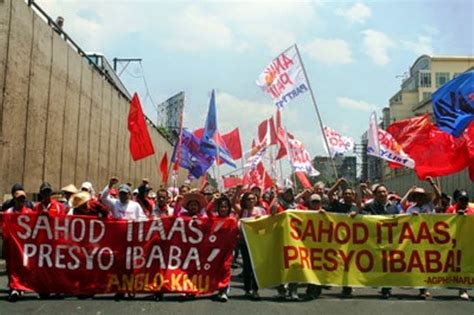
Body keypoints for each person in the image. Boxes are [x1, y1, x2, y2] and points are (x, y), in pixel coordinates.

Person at [357, 183, 399, 299]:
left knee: (388, 265)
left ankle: (386, 288)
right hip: (375, 241)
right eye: (379, 192)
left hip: (390, 241)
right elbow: (360, 209)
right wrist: (360, 192)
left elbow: (401, 220)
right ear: (375, 195)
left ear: (387, 193)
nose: (382, 194)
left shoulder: (394, 207)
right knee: (377, 264)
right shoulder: (371, 206)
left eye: (384, 191)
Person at [237, 191, 265, 300]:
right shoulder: (242, 211)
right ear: (245, 201)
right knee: (247, 266)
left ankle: (255, 290)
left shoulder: (261, 211)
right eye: (248, 199)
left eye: (253, 198)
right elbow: (233, 203)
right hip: (245, 242)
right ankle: (247, 289)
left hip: (257, 242)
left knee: (256, 267)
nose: (251, 201)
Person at [214, 196, 236, 302]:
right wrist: (213, 200)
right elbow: (208, 212)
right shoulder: (214, 219)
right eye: (221, 207)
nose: (223, 209)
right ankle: (216, 287)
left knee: (226, 268)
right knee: (216, 269)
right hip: (214, 250)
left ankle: (223, 289)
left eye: (226, 207)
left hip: (228, 250)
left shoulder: (232, 220)